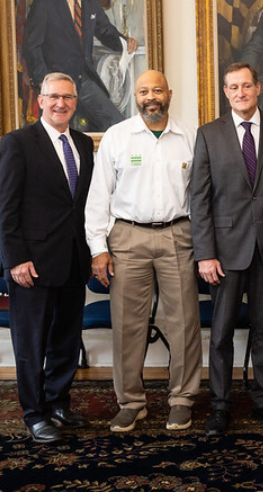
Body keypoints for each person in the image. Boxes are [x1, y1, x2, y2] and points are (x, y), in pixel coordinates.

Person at [85, 70, 203, 433]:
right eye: (143, 91)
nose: (150, 97)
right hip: (127, 239)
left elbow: (201, 197)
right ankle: (131, 403)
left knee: (184, 322)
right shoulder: (117, 138)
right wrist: (98, 249)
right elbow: (98, 198)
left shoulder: (191, 138)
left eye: (156, 90)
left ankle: (182, 399)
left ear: (169, 93)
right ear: (135, 97)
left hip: (177, 236)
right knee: (126, 325)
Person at [0, 73, 94, 444]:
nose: (60, 103)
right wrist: (15, 259)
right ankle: (34, 414)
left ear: (75, 102)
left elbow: (82, 206)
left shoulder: (82, 143)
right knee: (32, 344)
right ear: (40, 101)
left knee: (65, 339)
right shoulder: (17, 143)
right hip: (31, 264)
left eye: (67, 97)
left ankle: (58, 403)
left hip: (72, 261)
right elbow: (5, 207)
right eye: (53, 97)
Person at [190, 62, 263, 436]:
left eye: (246, 86)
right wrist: (205, 253)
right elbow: (198, 200)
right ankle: (220, 407)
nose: (240, 93)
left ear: (259, 87)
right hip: (224, 254)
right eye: (233, 88)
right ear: (226, 92)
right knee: (221, 335)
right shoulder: (208, 134)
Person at [23, 0, 138, 132]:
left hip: (85, 81)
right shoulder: (44, 3)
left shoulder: (91, 2)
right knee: (56, 133)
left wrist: (124, 42)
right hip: (57, 85)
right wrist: (43, 82)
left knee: (118, 125)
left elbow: (105, 31)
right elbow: (32, 46)